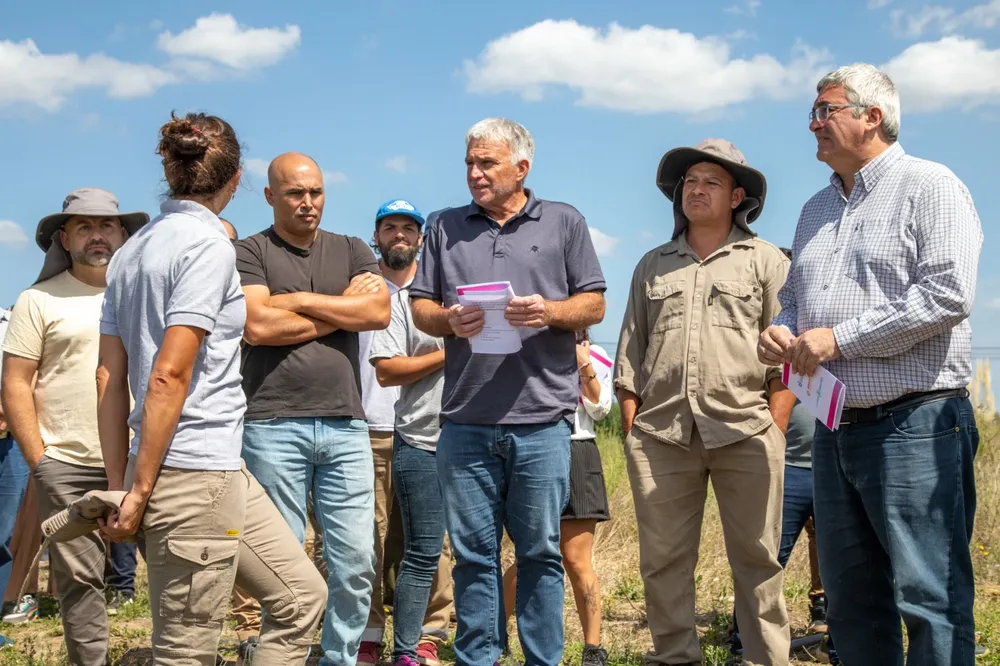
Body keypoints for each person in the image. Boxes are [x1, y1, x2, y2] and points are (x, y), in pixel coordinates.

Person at [758, 63, 983, 665]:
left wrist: (841, 340)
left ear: (872, 116)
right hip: (835, 429)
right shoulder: (813, 210)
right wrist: (782, 332)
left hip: (916, 424)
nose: (812, 125)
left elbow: (947, 294)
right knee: (853, 603)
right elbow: (796, 302)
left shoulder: (930, 186)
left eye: (824, 111)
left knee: (930, 596)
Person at [96, 112, 327, 664]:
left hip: (217, 469)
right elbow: (168, 374)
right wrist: (137, 491)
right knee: (186, 652)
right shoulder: (207, 247)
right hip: (187, 473)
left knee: (301, 598)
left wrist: (119, 482)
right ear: (237, 178)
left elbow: (107, 376)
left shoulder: (132, 250)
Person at [410, 117, 607, 666]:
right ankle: (480, 659)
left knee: (542, 554)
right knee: (473, 557)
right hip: (465, 422)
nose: (474, 173)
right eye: (469, 163)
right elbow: (421, 307)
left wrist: (548, 311)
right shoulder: (444, 225)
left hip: (543, 421)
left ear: (522, 167)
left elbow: (593, 303)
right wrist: (449, 320)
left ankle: (543, 659)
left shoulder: (564, 221)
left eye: (486, 163)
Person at [614, 139, 795, 666]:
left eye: (711, 181)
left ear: (738, 195)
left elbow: (786, 354)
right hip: (662, 437)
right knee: (663, 562)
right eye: (689, 181)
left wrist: (775, 425)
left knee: (758, 561)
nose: (696, 189)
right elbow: (631, 352)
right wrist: (632, 426)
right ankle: (675, 658)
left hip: (747, 431)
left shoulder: (765, 261)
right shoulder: (653, 264)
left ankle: (766, 661)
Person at [235, 152, 391, 665]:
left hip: (347, 426)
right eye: (296, 193)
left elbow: (376, 311)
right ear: (270, 196)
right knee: (280, 562)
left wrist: (293, 301)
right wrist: (337, 308)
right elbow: (256, 325)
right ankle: (283, 654)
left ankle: (338, 656)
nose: (308, 203)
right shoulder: (250, 251)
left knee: (355, 558)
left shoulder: (350, 248)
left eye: (316, 192)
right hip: (272, 423)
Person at [0, 188, 147, 665]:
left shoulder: (145, 293)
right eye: (84, 226)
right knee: (78, 583)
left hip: (144, 459)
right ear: (64, 238)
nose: (97, 235)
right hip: (67, 462)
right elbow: (16, 382)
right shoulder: (38, 299)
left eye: (107, 225)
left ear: (123, 234)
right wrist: (40, 460)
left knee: (173, 571)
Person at [358, 199, 455, 666]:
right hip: (366, 426)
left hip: (428, 430)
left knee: (430, 543)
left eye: (408, 228)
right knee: (368, 539)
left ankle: (430, 632)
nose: (399, 235)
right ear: (375, 235)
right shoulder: (358, 286)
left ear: (421, 237)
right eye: (389, 227)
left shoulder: (437, 291)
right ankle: (370, 632)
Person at [502, 328, 612, 666]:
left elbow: (600, 408)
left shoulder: (598, 356)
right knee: (529, 555)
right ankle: (495, 635)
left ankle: (592, 649)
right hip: (534, 450)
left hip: (578, 451)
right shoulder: (526, 353)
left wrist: (582, 364)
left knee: (577, 560)